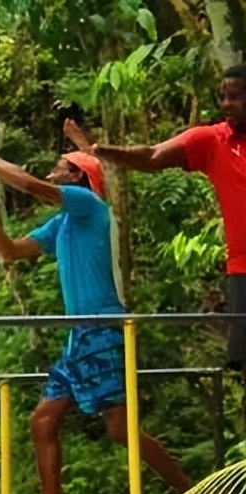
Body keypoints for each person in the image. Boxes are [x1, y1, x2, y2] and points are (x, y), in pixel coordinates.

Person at [0, 131, 192, 494]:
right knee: (43, 421)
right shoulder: (63, 224)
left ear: (79, 176)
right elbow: (10, 251)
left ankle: (189, 492)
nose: (54, 171)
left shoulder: (88, 205)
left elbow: (29, 184)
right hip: (78, 335)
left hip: (102, 328)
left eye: (62, 166)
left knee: (118, 427)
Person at [64, 64, 245, 372]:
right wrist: (102, 150)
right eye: (222, 97)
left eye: (236, 96)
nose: (226, 103)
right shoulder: (213, 141)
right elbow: (152, 156)